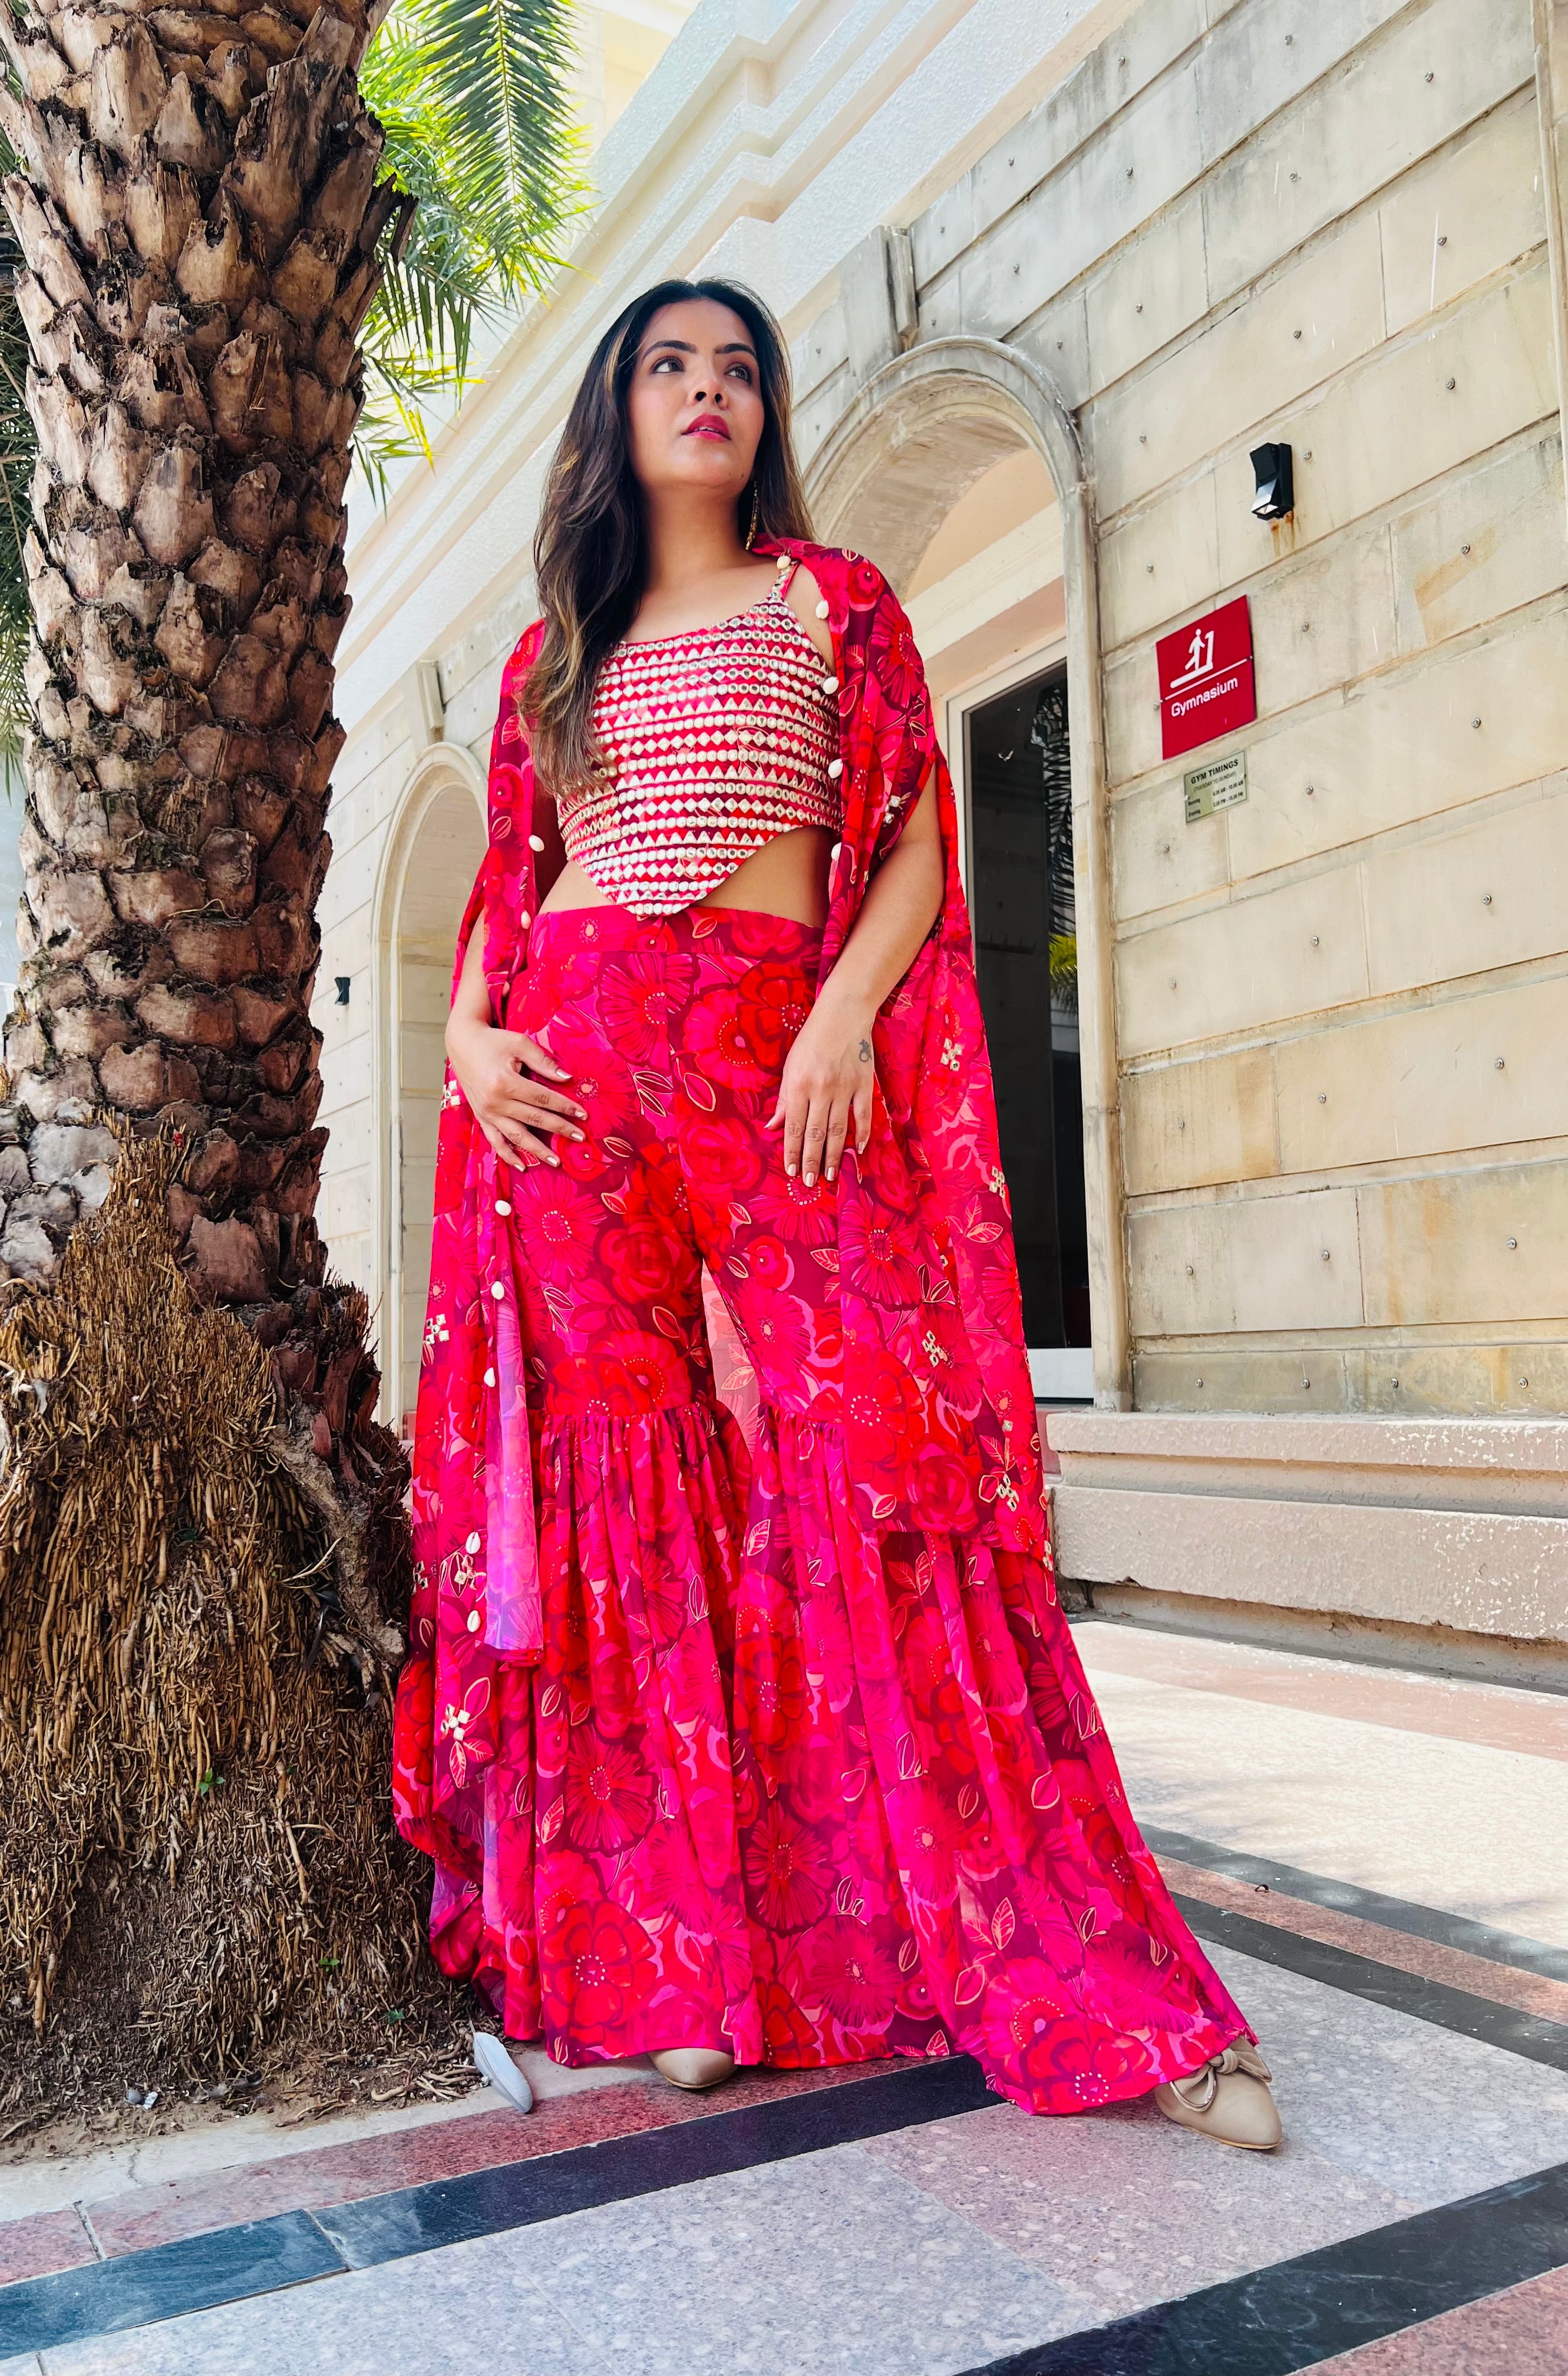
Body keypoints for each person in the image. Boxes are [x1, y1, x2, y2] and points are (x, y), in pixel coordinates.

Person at [392, 278, 1280, 2150]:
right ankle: (677, 1969)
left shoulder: (833, 598)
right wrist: (466, 1044)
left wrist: (840, 1020)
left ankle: (1090, 1976)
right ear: (617, 412)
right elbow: (505, 896)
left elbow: (916, 841)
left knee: (883, 1463)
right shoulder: (554, 655)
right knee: (628, 1486)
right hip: (567, 1089)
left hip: (774, 1057)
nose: (707, 391)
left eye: (738, 369)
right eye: (669, 366)